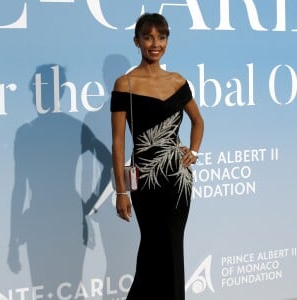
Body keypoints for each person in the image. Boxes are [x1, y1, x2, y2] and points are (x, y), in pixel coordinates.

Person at [110, 13, 204, 300]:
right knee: (152, 249)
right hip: (145, 180)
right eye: (148, 37)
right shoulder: (124, 84)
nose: (155, 43)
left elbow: (198, 122)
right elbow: (117, 141)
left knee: (173, 248)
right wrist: (121, 190)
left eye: (161, 37)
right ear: (136, 41)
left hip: (177, 180)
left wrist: (193, 151)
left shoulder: (177, 81)